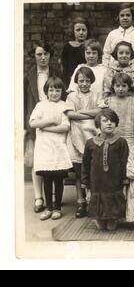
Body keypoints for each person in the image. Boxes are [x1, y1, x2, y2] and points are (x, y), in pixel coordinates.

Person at [24, 40, 62, 214]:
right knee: (37, 161)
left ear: (50, 55)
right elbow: (24, 101)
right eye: (39, 54)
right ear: (34, 56)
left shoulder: (57, 73)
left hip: (54, 119)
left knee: (53, 159)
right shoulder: (29, 76)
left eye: (46, 54)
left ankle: (54, 197)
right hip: (36, 119)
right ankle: (39, 197)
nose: (43, 57)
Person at [29, 77, 72, 221]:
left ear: (62, 92)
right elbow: (33, 123)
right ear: (46, 91)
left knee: (58, 179)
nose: (54, 93)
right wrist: (51, 121)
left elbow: (65, 127)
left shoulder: (64, 106)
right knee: (47, 178)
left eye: (57, 90)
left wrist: (46, 128)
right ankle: (49, 208)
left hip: (58, 147)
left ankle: (57, 208)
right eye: (51, 90)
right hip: (44, 148)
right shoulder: (41, 105)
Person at [82, 109, 129, 231]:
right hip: (97, 182)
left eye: (112, 121)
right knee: (101, 225)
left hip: (114, 182)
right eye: (105, 121)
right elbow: (85, 165)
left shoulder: (121, 142)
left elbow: (124, 163)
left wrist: (124, 182)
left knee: (111, 224)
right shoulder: (90, 143)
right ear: (98, 124)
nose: (109, 123)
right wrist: (86, 185)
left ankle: (113, 218)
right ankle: (99, 218)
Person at [65, 67, 103, 218]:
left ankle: (93, 201)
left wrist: (79, 113)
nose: (85, 84)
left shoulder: (97, 95)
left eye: (87, 81)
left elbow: (99, 113)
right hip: (76, 136)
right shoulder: (72, 97)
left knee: (94, 171)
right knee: (80, 172)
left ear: (91, 81)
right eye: (81, 81)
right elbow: (69, 114)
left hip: (92, 136)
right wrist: (89, 114)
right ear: (76, 82)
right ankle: (81, 202)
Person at [103, 73, 134, 146]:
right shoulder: (108, 101)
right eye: (117, 86)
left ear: (129, 87)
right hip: (112, 137)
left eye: (124, 86)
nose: (120, 89)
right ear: (113, 86)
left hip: (130, 137)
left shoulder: (133, 101)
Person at [60, 17, 89, 85]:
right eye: (78, 30)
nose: (81, 32)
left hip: (86, 80)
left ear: (87, 31)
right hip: (70, 80)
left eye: (83, 30)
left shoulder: (90, 46)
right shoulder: (68, 47)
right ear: (73, 31)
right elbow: (63, 66)